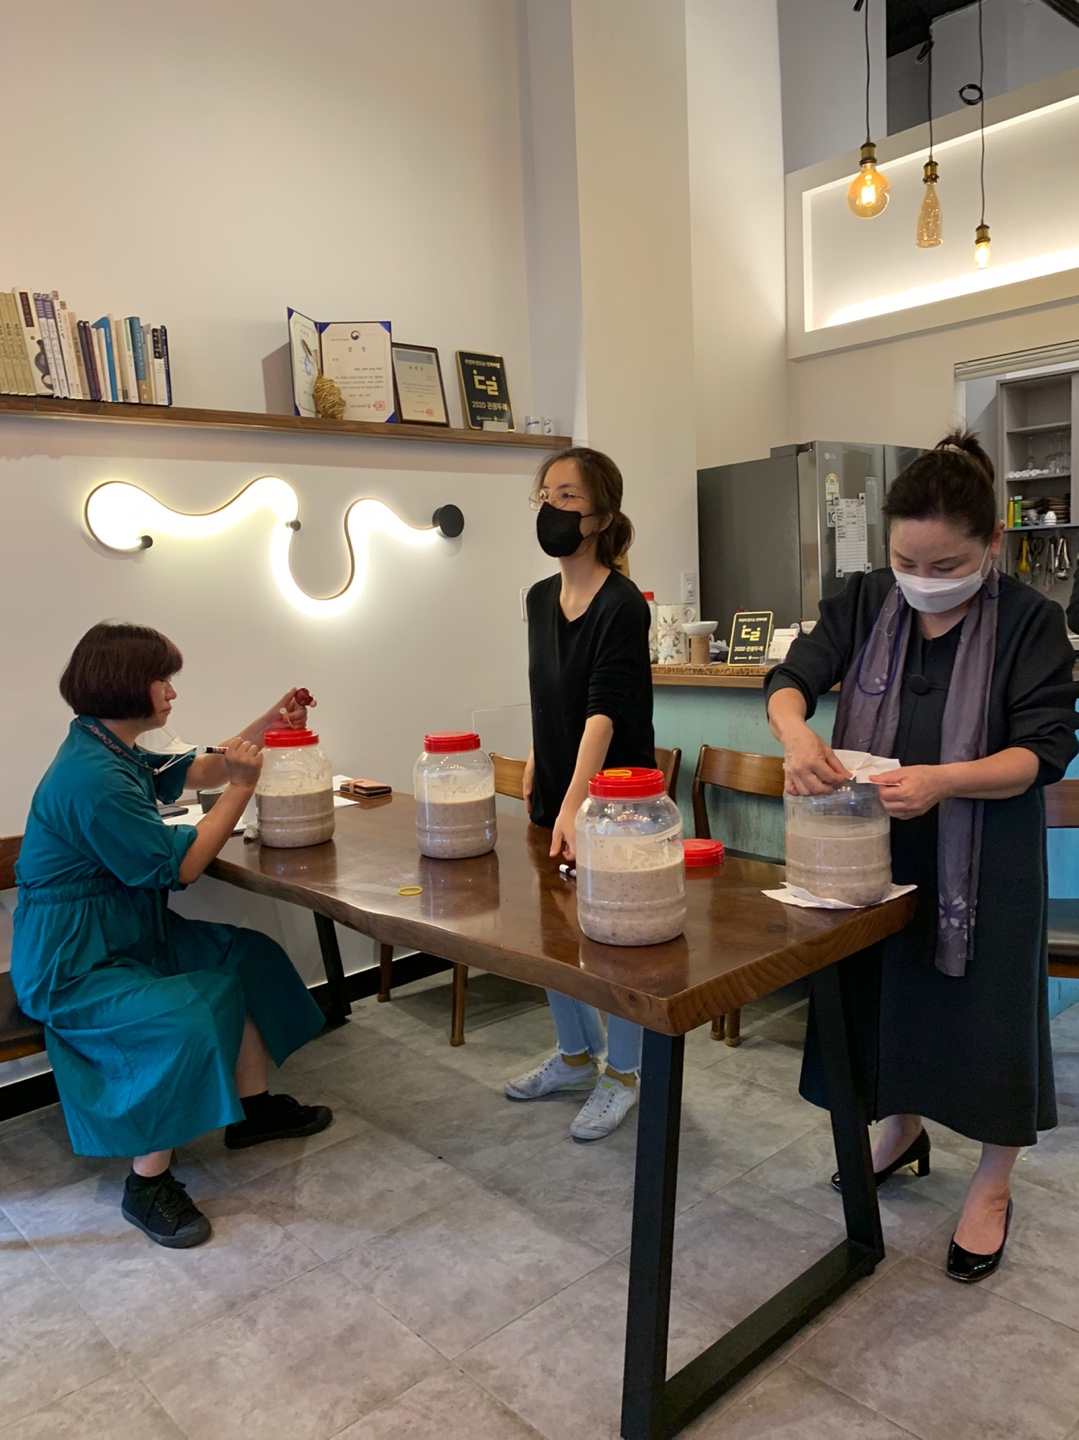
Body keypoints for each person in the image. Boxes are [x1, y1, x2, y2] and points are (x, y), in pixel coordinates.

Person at [765, 433, 1078, 1282]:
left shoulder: (1029, 622)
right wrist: (795, 735)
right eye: (906, 560)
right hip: (875, 849)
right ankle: (898, 1129)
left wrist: (944, 780)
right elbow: (793, 678)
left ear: (991, 544)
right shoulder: (868, 599)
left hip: (984, 859)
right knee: (881, 997)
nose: (922, 578)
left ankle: (991, 1185)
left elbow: (1041, 753)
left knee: (987, 1017)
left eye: (946, 564)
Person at [12, 621, 334, 1250]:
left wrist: (273, 722)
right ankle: (147, 1182)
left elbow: (203, 768)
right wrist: (243, 788)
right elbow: (181, 866)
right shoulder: (92, 777)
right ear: (124, 684)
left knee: (247, 957)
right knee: (189, 1012)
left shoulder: (111, 746)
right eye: (162, 679)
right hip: (72, 961)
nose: (171, 692)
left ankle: (253, 1109)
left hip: (128, 931)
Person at [504, 447, 656, 1141]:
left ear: (600, 515)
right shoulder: (538, 598)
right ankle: (573, 1055)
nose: (551, 508)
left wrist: (576, 805)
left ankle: (622, 1073)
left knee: (616, 939)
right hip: (557, 792)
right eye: (545, 494)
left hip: (614, 800)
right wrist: (540, 760)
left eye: (566, 496)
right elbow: (549, 691)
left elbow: (603, 712)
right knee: (554, 932)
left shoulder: (621, 604)